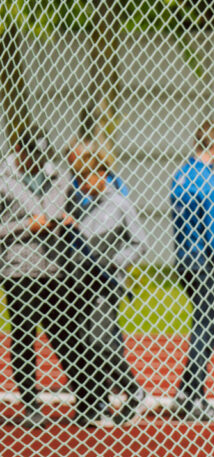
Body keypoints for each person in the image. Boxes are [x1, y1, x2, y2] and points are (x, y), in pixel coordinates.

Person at [0, 127, 96, 427]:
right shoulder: (4, 181)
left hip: (55, 269)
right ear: (20, 151)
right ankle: (31, 404)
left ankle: (87, 400)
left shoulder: (60, 178)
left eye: (42, 157)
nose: (38, 163)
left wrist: (67, 221)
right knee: (25, 334)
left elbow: (82, 209)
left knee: (65, 334)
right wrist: (27, 225)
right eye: (32, 156)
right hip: (20, 269)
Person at [62, 140, 148, 425]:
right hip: (82, 285)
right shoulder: (85, 206)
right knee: (88, 343)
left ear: (100, 174)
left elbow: (140, 243)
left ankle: (134, 391)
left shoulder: (120, 204)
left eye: (84, 177)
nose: (80, 184)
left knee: (100, 343)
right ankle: (98, 402)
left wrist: (115, 261)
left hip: (106, 285)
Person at [170, 120, 214, 422]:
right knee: (206, 325)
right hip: (203, 261)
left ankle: (187, 390)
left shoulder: (180, 176)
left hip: (183, 258)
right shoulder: (210, 183)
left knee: (209, 323)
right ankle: (194, 397)